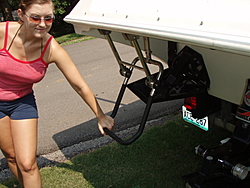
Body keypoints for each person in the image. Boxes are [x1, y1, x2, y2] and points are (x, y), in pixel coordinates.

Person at [0, 0, 114, 187]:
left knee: (28, 164)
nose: (43, 24)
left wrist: (100, 115)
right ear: (21, 15)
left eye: (48, 18)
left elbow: (80, 85)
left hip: (22, 103)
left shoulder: (51, 48)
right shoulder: (3, 33)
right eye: (35, 17)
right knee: (12, 157)